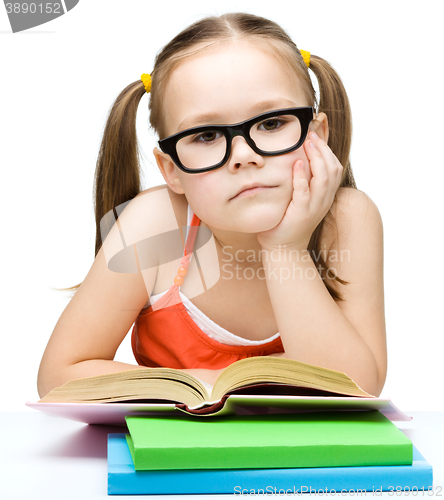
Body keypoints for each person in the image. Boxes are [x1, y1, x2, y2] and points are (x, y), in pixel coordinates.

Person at [37, 12, 387, 398]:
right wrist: (210, 386)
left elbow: (356, 389)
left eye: (271, 124)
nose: (243, 156)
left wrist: (284, 248)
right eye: (206, 135)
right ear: (171, 170)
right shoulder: (155, 227)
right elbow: (59, 374)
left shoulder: (348, 220)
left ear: (317, 134)